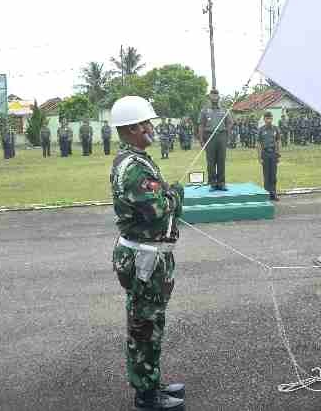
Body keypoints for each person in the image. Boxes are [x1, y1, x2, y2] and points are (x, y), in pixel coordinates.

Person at [109, 96, 185, 410]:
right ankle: (146, 397)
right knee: (145, 328)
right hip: (145, 259)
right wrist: (176, 196)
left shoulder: (137, 159)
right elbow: (157, 208)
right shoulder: (133, 168)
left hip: (149, 256)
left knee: (150, 325)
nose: (151, 128)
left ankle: (151, 382)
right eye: (145, 123)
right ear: (130, 129)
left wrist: (167, 194)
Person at [199, 89, 233, 191]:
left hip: (221, 136)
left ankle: (221, 183)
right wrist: (201, 139)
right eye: (212, 95)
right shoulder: (204, 110)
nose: (214, 97)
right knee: (211, 161)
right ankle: (213, 183)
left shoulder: (224, 110)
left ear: (218, 97)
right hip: (209, 137)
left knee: (221, 160)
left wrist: (227, 133)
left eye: (216, 95)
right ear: (209, 97)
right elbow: (201, 125)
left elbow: (230, 122)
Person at [258, 111, 281, 201]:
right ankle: (267, 194)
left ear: (272, 119)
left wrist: (278, 154)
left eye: (270, 118)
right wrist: (259, 157)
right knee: (266, 175)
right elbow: (258, 143)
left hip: (273, 154)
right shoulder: (261, 129)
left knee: (273, 175)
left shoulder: (276, 129)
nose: (269, 120)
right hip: (265, 154)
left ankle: (273, 193)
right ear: (264, 119)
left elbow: (278, 141)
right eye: (267, 118)